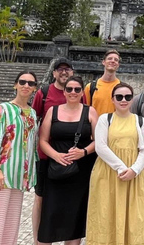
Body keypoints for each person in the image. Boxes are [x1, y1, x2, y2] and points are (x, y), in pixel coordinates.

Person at [86, 82, 144, 245]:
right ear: (112, 99)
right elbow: (100, 147)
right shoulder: (104, 119)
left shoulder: (140, 121)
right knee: (105, 214)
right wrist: (122, 168)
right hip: (108, 174)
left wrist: (134, 170)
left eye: (128, 97)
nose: (123, 100)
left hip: (134, 176)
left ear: (132, 100)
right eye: (119, 97)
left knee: (134, 217)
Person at [0, 71, 38, 245]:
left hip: (19, 175)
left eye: (31, 83)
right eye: (23, 82)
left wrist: (31, 175)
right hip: (2, 172)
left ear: (34, 88)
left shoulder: (32, 113)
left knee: (11, 225)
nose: (26, 86)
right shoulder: (3, 109)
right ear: (15, 85)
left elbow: (32, 144)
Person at [38, 76, 98, 245]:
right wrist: (56, 155)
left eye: (77, 89)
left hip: (80, 170)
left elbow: (100, 140)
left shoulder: (90, 111)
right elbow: (43, 140)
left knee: (75, 216)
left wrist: (84, 152)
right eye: (69, 89)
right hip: (56, 168)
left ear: (82, 92)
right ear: (64, 92)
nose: (73, 92)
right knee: (50, 214)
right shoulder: (53, 111)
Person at [30, 57, 84, 244]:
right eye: (59, 69)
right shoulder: (44, 93)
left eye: (67, 69)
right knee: (41, 198)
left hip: (72, 156)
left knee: (71, 201)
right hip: (46, 156)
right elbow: (32, 119)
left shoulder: (79, 94)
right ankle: (39, 239)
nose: (63, 72)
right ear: (53, 73)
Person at [85, 49, 122, 116]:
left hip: (115, 125)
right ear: (103, 62)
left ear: (118, 65)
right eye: (110, 58)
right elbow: (85, 111)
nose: (113, 61)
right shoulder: (90, 87)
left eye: (116, 60)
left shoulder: (122, 88)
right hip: (96, 125)